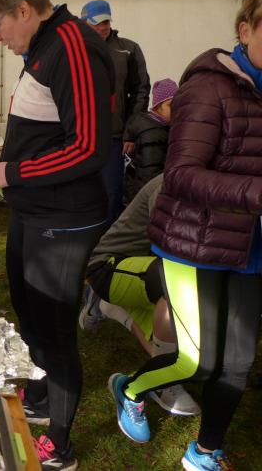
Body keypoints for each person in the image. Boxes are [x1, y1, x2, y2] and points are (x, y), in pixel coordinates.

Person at [108, 0, 262, 471]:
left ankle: (205, 451)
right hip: (193, 244)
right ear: (245, 30)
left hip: (250, 249)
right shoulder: (209, 86)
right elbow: (181, 175)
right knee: (196, 360)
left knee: (237, 363)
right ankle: (130, 390)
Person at [0, 0, 114, 471]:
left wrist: (12, 171)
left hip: (65, 216)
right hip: (35, 208)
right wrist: (3, 171)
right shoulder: (44, 47)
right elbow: (45, 133)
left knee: (54, 326)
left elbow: (89, 147)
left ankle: (61, 442)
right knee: (28, 310)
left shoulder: (72, 46)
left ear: (24, 10)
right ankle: (43, 393)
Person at [80, 174, 200, 416]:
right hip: (109, 266)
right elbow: (169, 249)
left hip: (147, 271)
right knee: (177, 283)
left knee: (186, 331)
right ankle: (164, 382)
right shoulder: (172, 184)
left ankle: (110, 307)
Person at [81, 0, 150, 225]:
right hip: (79, 138)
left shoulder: (128, 49)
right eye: (97, 23)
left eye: (106, 22)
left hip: (114, 138)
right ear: (84, 22)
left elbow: (140, 91)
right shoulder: (72, 50)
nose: (103, 27)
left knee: (112, 193)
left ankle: (109, 240)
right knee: (81, 192)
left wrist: (131, 132)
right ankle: (84, 238)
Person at [123, 78, 177, 203]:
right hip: (146, 197)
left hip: (140, 192)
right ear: (158, 106)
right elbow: (150, 173)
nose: (176, 109)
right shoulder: (153, 133)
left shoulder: (157, 125)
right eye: (170, 105)